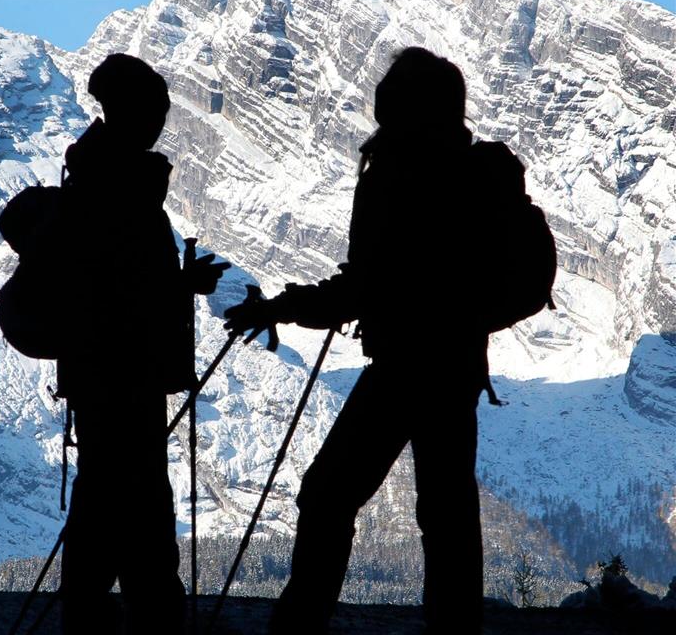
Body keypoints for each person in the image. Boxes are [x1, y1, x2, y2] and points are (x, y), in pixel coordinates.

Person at [224, 47, 530, 633]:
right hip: (457, 362)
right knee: (447, 514)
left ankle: (299, 625)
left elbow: (362, 286)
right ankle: (454, 628)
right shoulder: (465, 170)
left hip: (404, 365)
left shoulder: (398, 172)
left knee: (328, 494)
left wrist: (283, 308)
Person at [55, 53, 227, 635]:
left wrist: (176, 286)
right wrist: (183, 286)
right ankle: (150, 621)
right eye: (154, 111)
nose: (160, 123)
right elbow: (125, 292)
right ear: (131, 112)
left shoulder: (97, 179)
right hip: (125, 379)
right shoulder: (119, 188)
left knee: (102, 500)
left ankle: (92, 615)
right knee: (139, 507)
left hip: (101, 377)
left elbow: (112, 286)